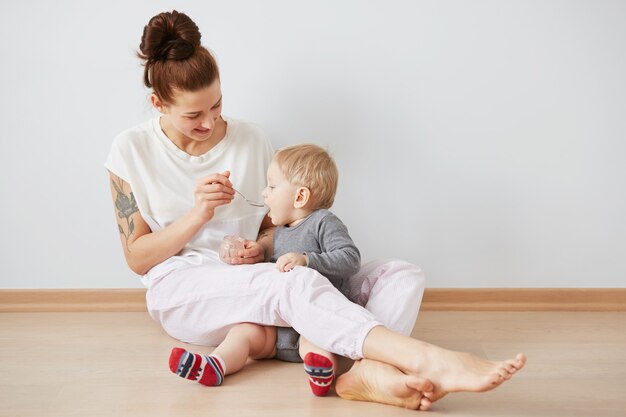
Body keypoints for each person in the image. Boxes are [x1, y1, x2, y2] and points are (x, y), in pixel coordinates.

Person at [105, 10, 526, 411]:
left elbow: (275, 229)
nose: (210, 123)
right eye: (193, 115)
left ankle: (363, 373)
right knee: (292, 282)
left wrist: (259, 247)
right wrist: (198, 215)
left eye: (216, 106)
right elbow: (137, 258)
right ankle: (423, 359)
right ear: (159, 104)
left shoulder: (252, 139)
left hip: (261, 278)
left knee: (399, 275)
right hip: (184, 289)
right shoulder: (130, 150)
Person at [170, 143, 370, 397]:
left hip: (310, 324)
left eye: (272, 186)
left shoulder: (323, 222)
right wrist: (254, 256)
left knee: (315, 342)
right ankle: (216, 365)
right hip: (275, 329)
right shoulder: (281, 231)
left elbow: (350, 258)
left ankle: (322, 372)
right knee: (242, 332)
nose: (264, 194)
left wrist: (307, 260)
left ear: (300, 197)